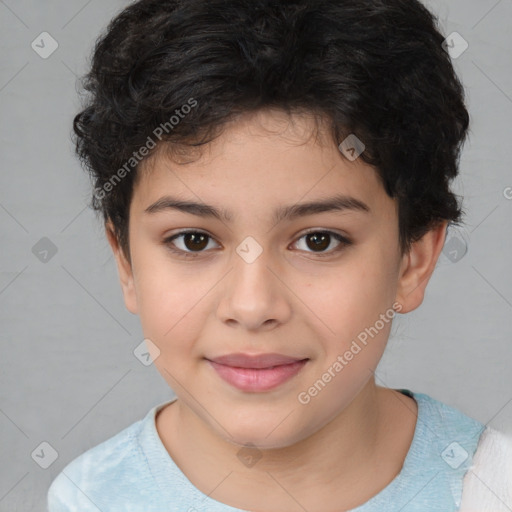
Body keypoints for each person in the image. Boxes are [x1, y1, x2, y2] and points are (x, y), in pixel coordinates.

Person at [47, 0, 512, 510]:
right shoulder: (89, 497)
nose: (252, 306)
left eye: (319, 240)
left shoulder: (493, 490)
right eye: (194, 240)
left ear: (413, 260)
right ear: (126, 261)